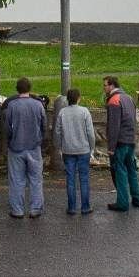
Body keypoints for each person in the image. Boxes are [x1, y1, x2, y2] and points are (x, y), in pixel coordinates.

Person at [2, 77, 47, 218]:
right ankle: (35, 209)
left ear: (17, 89)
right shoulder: (38, 105)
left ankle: (17, 210)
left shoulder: (12, 106)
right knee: (36, 179)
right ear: (30, 88)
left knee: (16, 180)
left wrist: (9, 141)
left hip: (16, 147)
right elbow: (44, 125)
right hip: (34, 147)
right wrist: (40, 139)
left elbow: (7, 128)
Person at [102, 75, 139, 212]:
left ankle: (123, 202)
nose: (104, 88)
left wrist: (111, 147)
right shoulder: (129, 98)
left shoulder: (114, 100)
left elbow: (114, 126)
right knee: (132, 170)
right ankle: (137, 198)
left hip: (120, 142)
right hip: (131, 140)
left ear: (112, 85)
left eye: (105, 85)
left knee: (120, 172)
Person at [55, 87, 96, 216]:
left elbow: (57, 132)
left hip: (68, 150)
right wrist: (92, 147)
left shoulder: (62, 112)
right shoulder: (85, 111)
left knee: (70, 179)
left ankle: (71, 207)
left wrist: (59, 147)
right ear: (79, 98)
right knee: (84, 178)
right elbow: (90, 132)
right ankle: (85, 207)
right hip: (83, 149)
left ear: (68, 99)